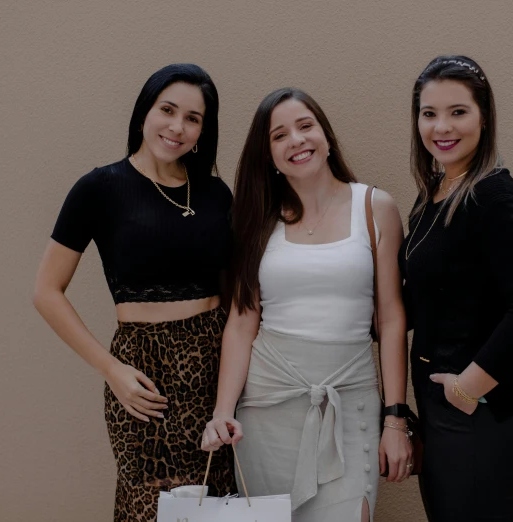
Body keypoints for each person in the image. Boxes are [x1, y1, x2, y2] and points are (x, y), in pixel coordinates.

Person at [32, 63, 236, 521]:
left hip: (214, 368)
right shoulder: (99, 188)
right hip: (143, 374)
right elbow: (47, 291)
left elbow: (235, 294)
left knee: (217, 503)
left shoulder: (216, 194)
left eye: (193, 118)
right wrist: (111, 370)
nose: (176, 127)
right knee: (151, 506)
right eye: (167, 109)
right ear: (144, 111)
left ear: (204, 130)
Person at [201, 87, 413, 522]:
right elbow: (242, 322)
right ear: (269, 157)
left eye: (305, 126)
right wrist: (222, 412)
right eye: (279, 135)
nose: (296, 140)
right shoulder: (258, 220)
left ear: (326, 136)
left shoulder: (375, 207)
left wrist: (396, 420)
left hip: (349, 400)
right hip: (266, 407)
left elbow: (392, 320)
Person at [400, 55, 513, 521]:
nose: (441, 127)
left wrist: (467, 388)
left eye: (458, 111)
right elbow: (429, 297)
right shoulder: (436, 191)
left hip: (485, 410)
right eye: (429, 113)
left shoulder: (495, 197)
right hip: (449, 409)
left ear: (484, 117)